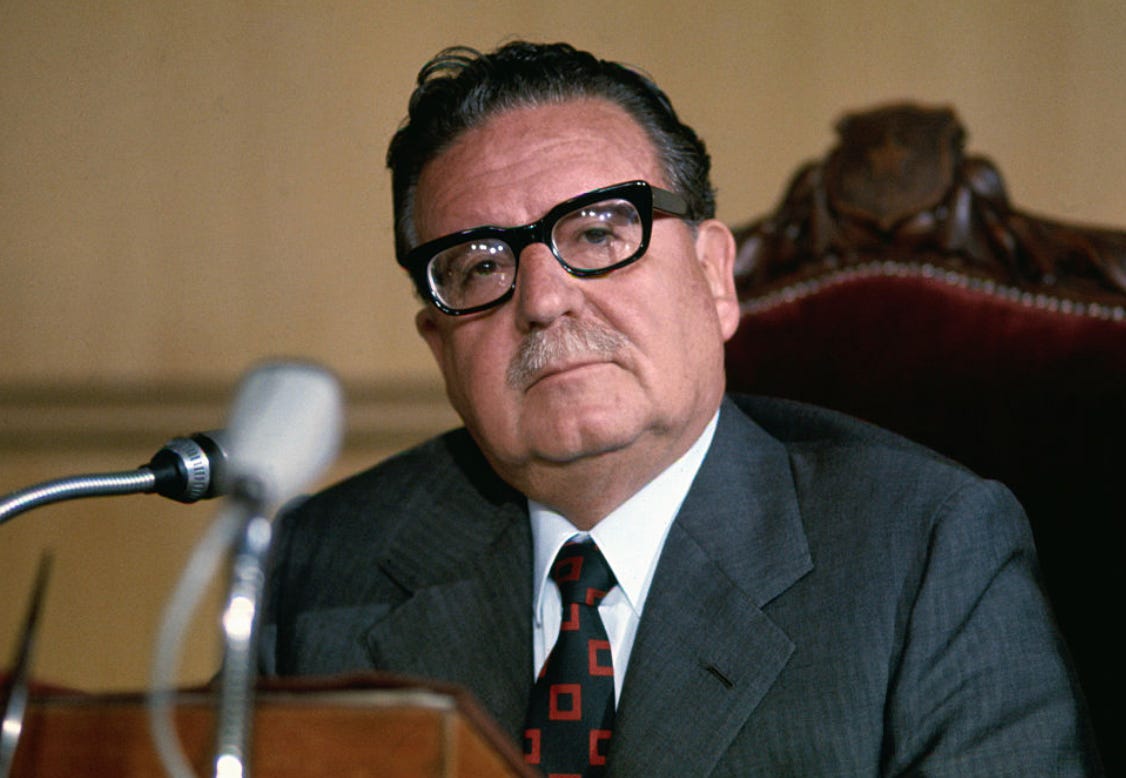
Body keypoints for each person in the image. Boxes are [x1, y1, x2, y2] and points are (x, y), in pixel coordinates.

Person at [260, 41, 1100, 775]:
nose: (543, 300)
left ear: (714, 277)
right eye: (481, 266)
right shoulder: (318, 567)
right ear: (440, 346)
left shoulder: (926, 552)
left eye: (597, 232)